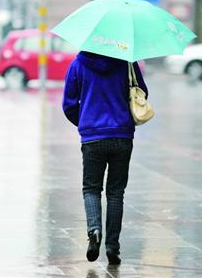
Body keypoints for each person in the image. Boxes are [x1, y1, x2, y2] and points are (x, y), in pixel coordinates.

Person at [62, 51, 148, 265]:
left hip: (92, 136)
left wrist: (85, 123)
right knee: (116, 193)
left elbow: (69, 104)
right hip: (122, 134)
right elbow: (142, 92)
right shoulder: (127, 62)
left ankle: (94, 229)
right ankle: (112, 247)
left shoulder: (77, 65)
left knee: (91, 188)